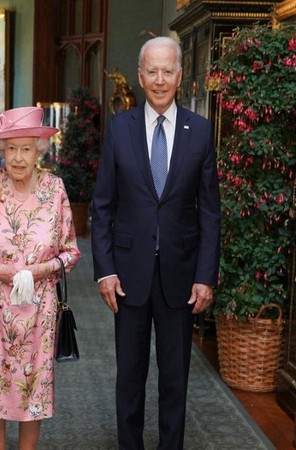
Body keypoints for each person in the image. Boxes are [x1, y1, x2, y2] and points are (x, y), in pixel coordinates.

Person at [91, 36, 221, 450]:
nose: (160, 79)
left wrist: (205, 275)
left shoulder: (200, 131)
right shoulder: (120, 128)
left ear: (180, 76)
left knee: (174, 379)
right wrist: (105, 270)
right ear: (140, 75)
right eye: (152, 71)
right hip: (128, 276)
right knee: (129, 377)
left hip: (181, 278)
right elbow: (103, 206)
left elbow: (209, 212)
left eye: (168, 71)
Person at [0, 106, 81, 450]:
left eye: (26, 148)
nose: (17, 157)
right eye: (11, 148)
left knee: (33, 392)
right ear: (1, 150)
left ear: (39, 150)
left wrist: (37, 272)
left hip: (39, 311)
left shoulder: (55, 189)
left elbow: (70, 253)